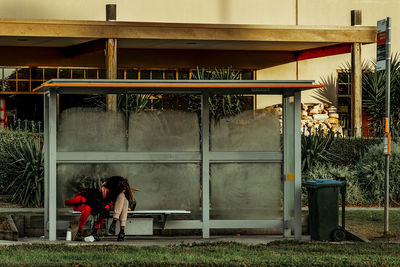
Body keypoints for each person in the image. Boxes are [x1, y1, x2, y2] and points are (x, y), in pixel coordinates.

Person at [104, 176, 136, 241]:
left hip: (119, 210)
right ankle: (122, 231)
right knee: (122, 196)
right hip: (112, 205)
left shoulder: (125, 190)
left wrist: (123, 191)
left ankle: (114, 222)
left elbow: (130, 201)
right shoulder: (108, 187)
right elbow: (107, 198)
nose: (122, 186)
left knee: (125, 201)